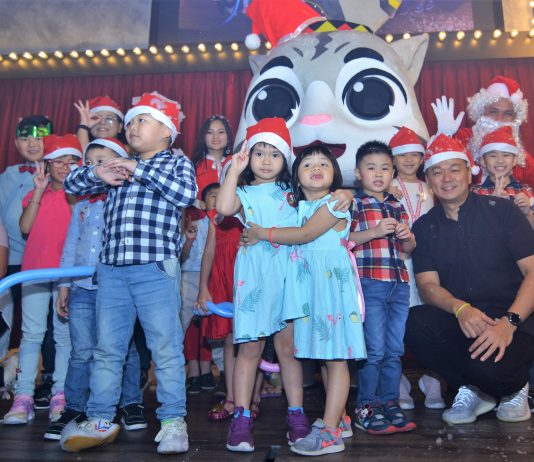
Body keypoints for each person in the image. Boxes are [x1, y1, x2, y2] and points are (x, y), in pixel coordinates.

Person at [60, 91, 197, 454]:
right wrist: (98, 171)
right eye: (132, 120)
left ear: (167, 131)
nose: (133, 126)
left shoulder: (176, 164)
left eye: (143, 120)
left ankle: (173, 422)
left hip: (155, 269)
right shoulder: (118, 164)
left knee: (165, 348)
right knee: (107, 349)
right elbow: (71, 185)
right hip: (112, 271)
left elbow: (186, 195)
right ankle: (100, 417)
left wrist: (137, 169)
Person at [244, 144, 366, 456]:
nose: (316, 168)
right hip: (312, 289)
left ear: (334, 174)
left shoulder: (334, 203)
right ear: (296, 178)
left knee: (335, 358)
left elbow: (304, 235)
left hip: (330, 289)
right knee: (325, 357)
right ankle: (339, 418)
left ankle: (329, 432)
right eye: (308, 164)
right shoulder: (299, 208)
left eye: (323, 163)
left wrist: (262, 233)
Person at [405, 134, 534, 425]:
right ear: (429, 180)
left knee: (488, 369)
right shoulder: (424, 227)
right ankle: (474, 388)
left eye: (454, 169)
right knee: (414, 323)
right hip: (466, 321)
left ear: (469, 173)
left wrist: (509, 323)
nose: (447, 178)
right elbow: (428, 286)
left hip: (516, 319)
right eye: (437, 172)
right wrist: (460, 308)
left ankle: (515, 388)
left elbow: (533, 272)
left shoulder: (503, 212)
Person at [216, 118, 310, 452]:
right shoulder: (243, 192)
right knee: (250, 350)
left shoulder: (294, 193)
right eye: (259, 153)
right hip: (255, 276)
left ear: (286, 159)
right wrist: (234, 169)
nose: (266, 160)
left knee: (288, 349)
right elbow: (223, 207)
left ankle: (296, 415)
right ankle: (241, 418)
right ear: (248, 156)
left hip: (288, 275)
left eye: (274, 153)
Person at [44, 138, 146, 441]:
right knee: (81, 351)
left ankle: (130, 403)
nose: (94, 167)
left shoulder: (125, 199)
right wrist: (64, 285)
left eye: (102, 161)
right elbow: (71, 244)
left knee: (122, 348)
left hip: (114, 287)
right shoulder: (81, 204)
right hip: (81, 288)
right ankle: (74, 407)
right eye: (89, 163)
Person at [3, 134, 81, 425]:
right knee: (32, 334)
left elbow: (79, 228)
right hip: (34, 271)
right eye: (58, 161)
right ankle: (23, 396)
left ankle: (60, 394)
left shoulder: (80, 195)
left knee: (64, 336)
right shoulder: (38, 191)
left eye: (71, 161)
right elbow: (25, 227)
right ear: (47, 164)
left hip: (66, 275)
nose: (64, 166)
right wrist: (37, 191)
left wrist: (74, 190)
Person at [350, 141, 417, 435]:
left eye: (385, 168)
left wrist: (407, 236)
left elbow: (410, 247)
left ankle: (389, 402)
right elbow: (345, 239)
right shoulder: (354, 204)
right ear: (358, 173)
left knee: (394, 350)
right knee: (374, 350)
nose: (378, 174)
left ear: (392, 173)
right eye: (371, 167)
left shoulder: (396, 205)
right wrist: (375, 231)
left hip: (398, 285)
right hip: (370, 283)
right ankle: (366, 406)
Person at [0, 115, 55, 408]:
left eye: (39, 137)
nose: (32, 143)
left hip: (42, 261)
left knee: (47, 322)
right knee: (5, 319)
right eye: (25, 138)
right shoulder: (8, 175)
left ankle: (49, 379)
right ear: (15, 142)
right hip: (8, 259)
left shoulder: (59, 172)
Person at [388, 128, 444, 411]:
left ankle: (433, 379)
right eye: (402, 155)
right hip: (398, 262)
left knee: (432, 320)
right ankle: (397, 381)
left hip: (429, 262)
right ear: (393, 159)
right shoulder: (385, 185)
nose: (409, 160)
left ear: (423, 158)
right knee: (397, 323)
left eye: (414, 155)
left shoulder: (431, 186)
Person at [432, 75, 534, 187]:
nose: (499, 119)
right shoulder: (463, 138)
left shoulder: (522, 158)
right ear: (482, 111)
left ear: (515, 118)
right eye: (493, 111)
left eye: (507, 113)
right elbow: (436, 168)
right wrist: (445, 135)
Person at [195, 183, 242, 420]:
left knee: (254, 341)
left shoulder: (249, 209)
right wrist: (203, 287)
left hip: (246, 277)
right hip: (223, 280)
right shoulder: (215, 217)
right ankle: (231, 398)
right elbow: (209, 253)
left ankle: (251, 400)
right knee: (230, 339)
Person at [181, 185, 213, 395]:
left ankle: (210, 369)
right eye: (212, 197)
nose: (217, 201)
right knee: (184, 323)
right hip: (190, 275)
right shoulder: (194, 225)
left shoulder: (229, 224)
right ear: (203, 203)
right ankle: (184, 369)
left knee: (214, 325)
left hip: (214, 277)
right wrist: (189, 240)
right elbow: (181, 257)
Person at [471, 126, 534, 228]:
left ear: (515, 160)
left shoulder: (524, 190)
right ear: (483, 161)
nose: (500, 160)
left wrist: (527, 214)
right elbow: (473, 227)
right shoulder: (476, 192)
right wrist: (491, 204)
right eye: (493, 155)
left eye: (506, 155)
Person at [191, 115, 233, 213]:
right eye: (210, 132)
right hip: (198, 219)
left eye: (221, 132)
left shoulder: (235, 163)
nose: (215, 136)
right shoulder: (193, 165)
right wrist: (198, 203)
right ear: (203, 137)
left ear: (228, 138)